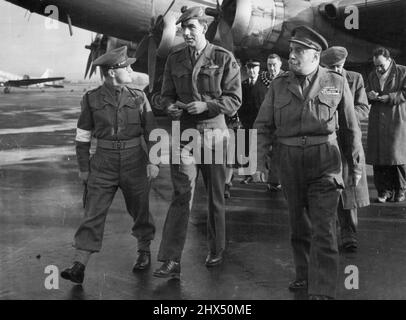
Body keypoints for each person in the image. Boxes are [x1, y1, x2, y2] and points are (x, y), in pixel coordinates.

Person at [253, 26, 364, 300]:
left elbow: (351, 129)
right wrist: (257, 162)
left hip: (325, 160)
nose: (292, 55)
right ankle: (304, 275)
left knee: (324, 227)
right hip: (289, 162)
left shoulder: (336, 82)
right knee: (298, 225)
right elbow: (263, 126)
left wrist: (356, 166)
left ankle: (323, 289)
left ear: (315, 56)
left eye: (299, 51)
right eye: (291, 50)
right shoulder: (279, 85)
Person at [153, 6, 241, 279]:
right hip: (185, 136)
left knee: (215, 197)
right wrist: (168, 108)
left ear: (203, 27)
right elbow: (162, 95)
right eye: (183, 28)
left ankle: (216, 248)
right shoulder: (174, 58)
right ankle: (170, 259)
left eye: (191, 27)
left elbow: (234, 100)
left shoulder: (223, 57)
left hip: (214, 134)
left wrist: (206, 106)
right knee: (182, 194)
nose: (186, 32)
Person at [60, 46, 159, 284]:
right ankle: (79, 264)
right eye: (128, 67)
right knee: (92, 213)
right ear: (113, 72)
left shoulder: (138, 97)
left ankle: (144, 250)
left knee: (140, 209)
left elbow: (153, 132)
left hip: (135, 161)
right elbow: (83, 136)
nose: (132, 70)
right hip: (103, 164)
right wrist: (84, 168)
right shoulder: (91, 99)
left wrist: (154, 161)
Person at [321, 46, 370, 252]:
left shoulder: (355, 78)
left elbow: (363, 108)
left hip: (348, 140)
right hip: (327, 140)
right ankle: (329, 235)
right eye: (332, 67)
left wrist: (345, 115)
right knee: (327, 191)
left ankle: (349, 234)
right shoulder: (320, 79)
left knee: (349, 190)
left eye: (339, 66)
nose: (336, 70)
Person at [365, 47, 406, 203]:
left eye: (381, 65)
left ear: (389, 60)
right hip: (377, 119)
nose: (379, 68)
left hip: (396, 119)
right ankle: (383, 190)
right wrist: (368, 95)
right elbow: (366, 92)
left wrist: (390, 97)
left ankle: (400, 189)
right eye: (376, 65)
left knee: (397, 156)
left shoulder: (403, 72)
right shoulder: (371, 75)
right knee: (379, 157)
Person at [238, 59, 269, 185]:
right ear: (246, 70)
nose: (252, 71)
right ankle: (247, 175)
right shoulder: (242, 85)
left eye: (254, 68)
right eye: (249, 68)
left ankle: (261, 175)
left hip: (259, 123)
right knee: (244, 149)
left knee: (258, 149)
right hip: (245, 123)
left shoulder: (265, 86)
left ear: (259, 69)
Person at [261, 53, 284, 192]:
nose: (271, 68)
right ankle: (271, 178)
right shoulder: (263, 79)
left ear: (280, 64)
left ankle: (276, 180)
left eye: (274, 64)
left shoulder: (287, 79)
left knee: (279, 153)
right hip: (266, 121)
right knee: (267, 152)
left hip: (281, 122)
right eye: (269, 65)